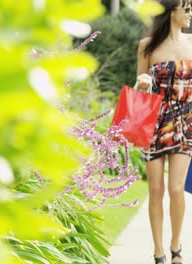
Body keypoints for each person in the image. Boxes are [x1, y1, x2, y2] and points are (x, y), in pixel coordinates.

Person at [136, 0, 192, 263]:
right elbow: (139, 93)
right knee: (156, 190)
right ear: (173, 11)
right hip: (154, 121)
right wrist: (143, 83)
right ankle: (158, 251)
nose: (190, 14)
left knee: (177, 188)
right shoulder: (147, 46)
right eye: (187, 8)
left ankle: (176, 245)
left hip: (185, 121)